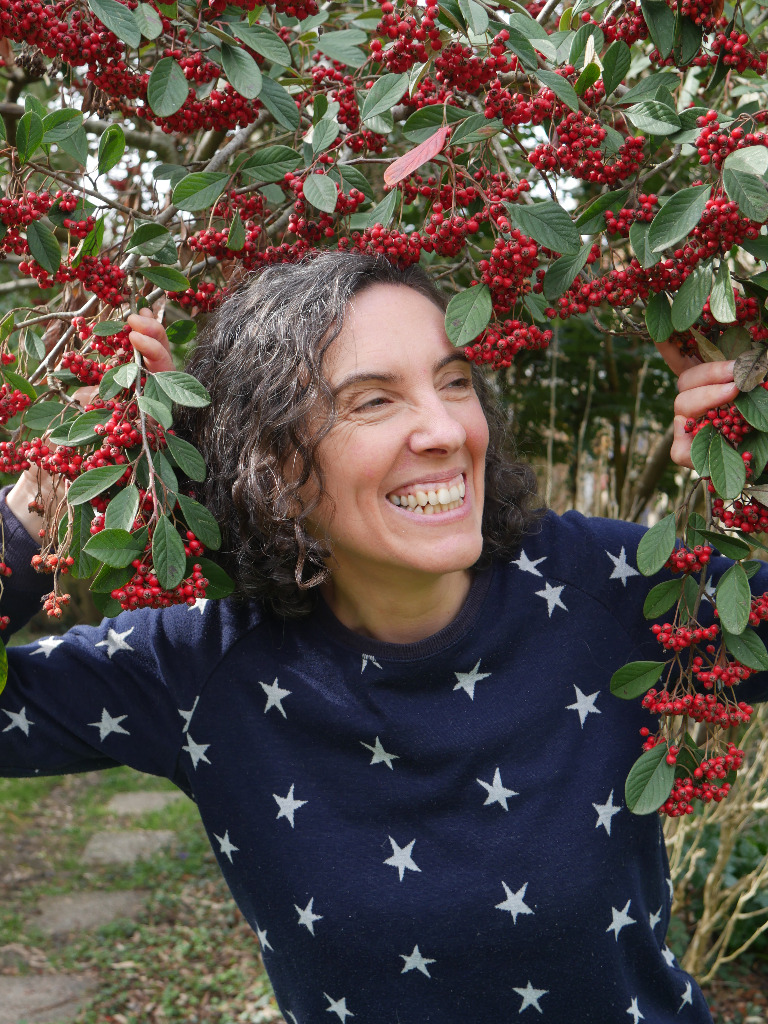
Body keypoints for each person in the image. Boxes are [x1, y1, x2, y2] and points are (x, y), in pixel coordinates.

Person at [0, 251, 763, 1023]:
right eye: (372, 401)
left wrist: (754, 441)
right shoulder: (201, 665)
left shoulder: (612, 587)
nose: (444, 429)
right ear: (265, 457)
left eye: (456, 381)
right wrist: (52, 483)